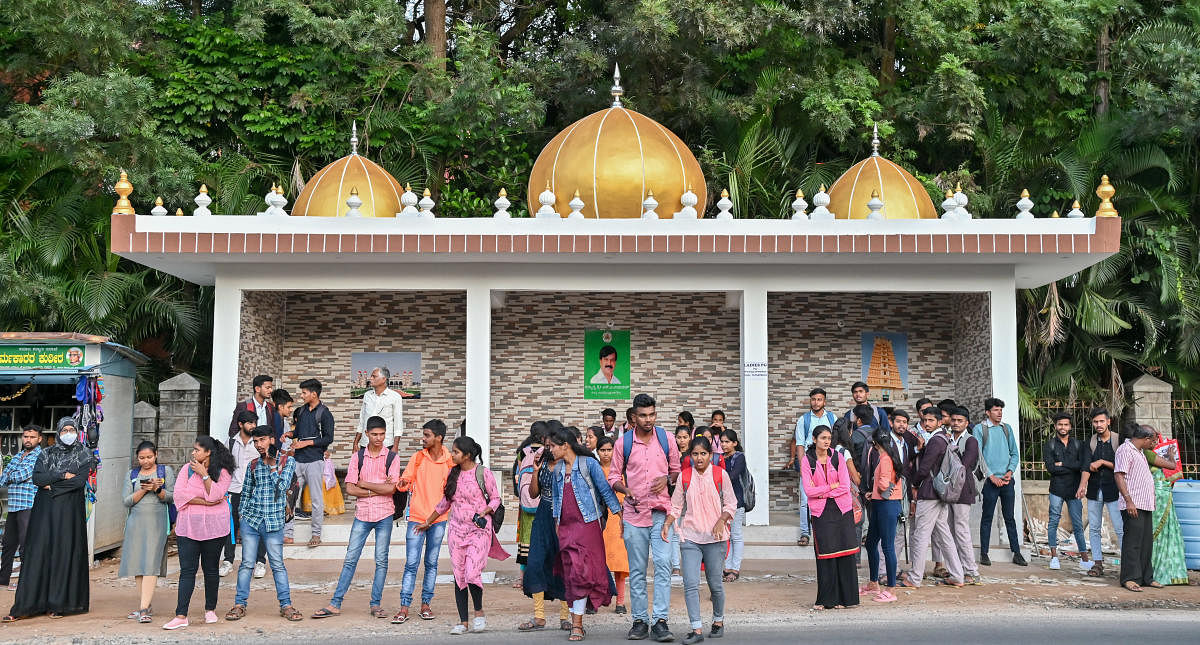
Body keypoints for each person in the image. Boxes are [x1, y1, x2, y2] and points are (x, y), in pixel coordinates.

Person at [415, 436, 509, 634]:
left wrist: (486, 510)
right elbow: (444, 503)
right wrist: (428, 522)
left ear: (467, 455)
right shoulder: (453, 474)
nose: (452, 454)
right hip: (457, 532)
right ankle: (463, 622)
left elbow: (496, 498)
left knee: (472, 572)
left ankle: (479, 612)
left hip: (479, 531)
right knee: (459, 576)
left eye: (456, 452)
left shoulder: (483, 473)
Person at [312, 416, 403, 619]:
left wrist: (366, 484)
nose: (379, 438)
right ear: (367, 434)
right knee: (350, 559)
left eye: (382, 434)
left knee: (381, 561)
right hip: (362, 514)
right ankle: (335, 603)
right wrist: (377, 488)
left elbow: (392, 488)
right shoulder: (358, 457)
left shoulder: (392, 458)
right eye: (374, 434)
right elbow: (351, 488)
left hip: (385, 514)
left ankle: (375, 604)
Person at [4, 418, 94, 622]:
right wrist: (63, 475)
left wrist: (52, 485)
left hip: (69, 513)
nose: (68, 433)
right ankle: (27, 606)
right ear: (59, 432)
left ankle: (58, 604)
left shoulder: (84, 454)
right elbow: (38, 479)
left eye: (72, 429)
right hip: (43, 511)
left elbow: (79, 482)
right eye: (65, 430)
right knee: (38, 552)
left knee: (63, 552)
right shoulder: (46, 453)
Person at [608, 393, 682, 643]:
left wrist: (668, 479)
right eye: (643, 415)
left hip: (662, 514)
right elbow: (613, 477)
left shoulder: (666, 438)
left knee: (663, 564)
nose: (648, 419)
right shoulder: (623, 444)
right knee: (637, 571)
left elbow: (677, 471)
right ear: (633, 417)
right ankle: (639, 621)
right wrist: (625, 490)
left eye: (652, 414)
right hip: (634, 515)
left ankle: (660, 621)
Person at [548, 428, 622, 641]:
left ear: (565, 445)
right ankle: (577, 622)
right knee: (571, 575)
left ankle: (577, 624)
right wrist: (556, 523)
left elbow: (605, 490)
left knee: (583, 573)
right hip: (565, 529)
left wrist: (618, 514)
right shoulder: (558, 470)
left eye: (553, 446)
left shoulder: (589, 464)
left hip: (588, 525)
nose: (550, 450)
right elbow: (555, 499)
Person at [226, 425, 301, 622]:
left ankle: (286, 605)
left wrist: (272, 464)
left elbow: (283, 486)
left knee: (277, 565)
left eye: (262, 440)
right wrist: (242, 516)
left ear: (272, 440)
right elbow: (246, 492)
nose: (259, 445)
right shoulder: (252, 464)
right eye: (256, 441)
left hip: (274, 523)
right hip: (252, 521)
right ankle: (239, 604)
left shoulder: (288, 461)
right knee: (246, 565)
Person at [163, 437, 235, 630]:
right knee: (187, 570)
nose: (193, 453)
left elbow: (217, 495)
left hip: (214, 528)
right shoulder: (187, 469)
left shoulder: (223, 472)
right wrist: (205, 502)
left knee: (211, 569)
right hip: (188, 528)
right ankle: (181, 615)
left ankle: (210, 610)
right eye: (193, 450)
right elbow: (179, 496)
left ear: (208, 452)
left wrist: (204, 475)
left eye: (197, 450)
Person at [393, 419, 454, 624]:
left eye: (427, 435)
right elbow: (406, 481)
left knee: (431, 563)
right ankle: (404, 607)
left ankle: (426, 604)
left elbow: (452, 493)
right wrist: (402, 483)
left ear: (439, 438)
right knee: (411, 564)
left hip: (438, 520)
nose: (423, 438)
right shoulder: (417, 458)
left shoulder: (449, 462)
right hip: (417, 519)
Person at [899, 412, 965, 589]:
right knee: (944, 535)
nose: (927, 423)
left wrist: (914, 484)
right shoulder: (945, 438)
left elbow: (925, 468)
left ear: (940, 421)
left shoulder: (936, 440)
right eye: (924, 420)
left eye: (931, 420)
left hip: (929, 492)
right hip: (940, 492)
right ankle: (958, 576)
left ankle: (914, 578)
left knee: (920, 535)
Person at [799, 425, 859, 610]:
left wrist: (824, 490)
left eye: (829, 438)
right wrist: (831, 488)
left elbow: (844, 486)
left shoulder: (838, 457)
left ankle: (846, 599)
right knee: (825, 554)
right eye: (823, 438)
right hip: (821, 512)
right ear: (815, 439)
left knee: (845, 552)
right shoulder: (807, 461)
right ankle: (827, 600)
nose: (827, 441)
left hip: (842, 510)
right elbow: (809, 491)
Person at [519, 428, 572, 632]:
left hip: (563, 518)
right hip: (542, 516)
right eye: (546, 445)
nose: (547, 449)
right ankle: (539, 616)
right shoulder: (541, 463)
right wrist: (535, 470)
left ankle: (565, 616)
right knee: (535, 563)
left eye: (550, 445)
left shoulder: (567, 465)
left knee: (563, 563)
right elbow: (533, 494)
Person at [120, 441, 175, 623]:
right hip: (136, 523)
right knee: (138, 563)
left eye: (149, 457)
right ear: (137, 457)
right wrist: (144, 490)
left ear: (156, 455)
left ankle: (143, 609)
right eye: (142, 458)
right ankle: (146, 604)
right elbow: (126, 501)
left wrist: (157, 489)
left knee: (151, 563)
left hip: (157, 524)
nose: (146, 461)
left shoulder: (165, 472)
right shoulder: (132, 474)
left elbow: (171, 497)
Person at [972, 398, 1026, 567]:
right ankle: (984, 553)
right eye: (996, 410)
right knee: (987, 517)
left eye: (1001, 410)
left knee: (1009, 517)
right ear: (988, 412)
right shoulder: (980, 429)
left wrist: (1009, 472)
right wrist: (990, 476)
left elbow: (1015, 454)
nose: (999, 413)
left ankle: (1016, 552)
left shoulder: (1007, 429)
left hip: (1007, 480)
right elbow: (978, 455)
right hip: (990, 482)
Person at [287, 379, 334, 548]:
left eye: (304, 393)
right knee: (290, 496)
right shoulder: (300, 411)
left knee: (316, 500)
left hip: (314, 460)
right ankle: (288, 534)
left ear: (314, 394)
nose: (301, 395)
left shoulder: (325, 413)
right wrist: (289, 434)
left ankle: (316, 534)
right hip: (298, 460)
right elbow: (299, 432)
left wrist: (306, 443)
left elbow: (329, 438)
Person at [787, 388, 837, 547]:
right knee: (805, 500)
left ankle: (825, 531)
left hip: (828, 463)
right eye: (813, 399)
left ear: (825, 401)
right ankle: (805, 532)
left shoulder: (832, 418)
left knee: (827, 497)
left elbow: (835, 443)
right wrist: (803, 468)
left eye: (819, 399)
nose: (816, 402)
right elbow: (800, 444)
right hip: (810, 461)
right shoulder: (803, 420)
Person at [1113, 425, 1160, 592]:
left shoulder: (1139, 452)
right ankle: (1129, 578)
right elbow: (1119, 475)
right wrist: (1129, 501)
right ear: (1146, 439)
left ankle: (1146, 577)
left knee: (1146, 543)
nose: (1154, 443)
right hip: (1133, 504)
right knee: (1133, 543)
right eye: (1153, 440)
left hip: (1145, 504)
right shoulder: (1125, 450)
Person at [1043, 412, 1091, 571]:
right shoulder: (1049, 445)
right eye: (1060, 424)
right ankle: (1054, 557)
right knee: (1053, 522)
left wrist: (1062, 463)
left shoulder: (1078, 444)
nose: (1063, 427)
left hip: (1075, 490)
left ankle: (1084, 559)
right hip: (1056, 489)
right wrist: (1071, 465)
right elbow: (1050, 468)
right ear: (1055, 426)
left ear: (1070, 426)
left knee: (1078, 524)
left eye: (1066, 424)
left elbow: (1082, 465)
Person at [223, 410, 267, 579]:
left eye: (254, 423)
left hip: (255, 491)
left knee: (258, 525)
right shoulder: (230, 442)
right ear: (241, 424)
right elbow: (225, 468)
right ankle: (228, 560)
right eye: (249, 423)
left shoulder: (259, 443)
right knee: (231, 526)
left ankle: (260, 562)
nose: (253, 426)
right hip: (234, 489)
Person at [1079, 408, 1122, 577]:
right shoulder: (1090, 442)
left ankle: (1127, 564)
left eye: (1101, 421)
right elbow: (1086, 467)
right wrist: (1082, 485)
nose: (1098, 425)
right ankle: (1097, 563)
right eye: (1095, 422)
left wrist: (1103, 462)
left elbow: (1123, 466)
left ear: (1108, 422)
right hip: (1095, 490)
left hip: (1115, 490)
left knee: (1120, 529)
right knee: (1094, 528)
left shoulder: (1119, 440)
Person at [861, 428, 903, 603]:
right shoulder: (889, 456)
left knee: (887, 547)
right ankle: (873, 583)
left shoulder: (885, 459)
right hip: (882, 504)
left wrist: (878, 489)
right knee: (871, 543)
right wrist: (875, 493)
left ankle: (891, 590)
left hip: (886, 506)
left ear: (875, 443)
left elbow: (884, 483)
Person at [1142, 427, 1188, 586]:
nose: (1155, 441)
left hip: (1162, 496)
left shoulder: (1146, 453)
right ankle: (1159, 572)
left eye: (1156, 439)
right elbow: (1172, 467)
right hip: (1158, 497)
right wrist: (1170, 455)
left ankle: (1165, 572)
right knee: (1158, 534)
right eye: (1153, 439)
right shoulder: (1148, 454)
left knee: (1165, 534)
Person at [0, 425, 43, 590]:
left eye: (32, 437)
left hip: (28, 505)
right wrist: (11, 476)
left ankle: (25, 581)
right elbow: (4, 477)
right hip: (14, 506)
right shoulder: (18, 455)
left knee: (26, 544)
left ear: (39, 439)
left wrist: (11, 476)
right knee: (8, 543)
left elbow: (23, 475)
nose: (28, 440)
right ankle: (3, 579)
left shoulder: (39, 456)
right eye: (25, 436)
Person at [943, 407, 982, 584]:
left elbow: (964, 465)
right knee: (950, 530)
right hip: (949, 489)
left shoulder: (971, 441)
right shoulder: (948, 438)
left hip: (963, 488)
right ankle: (957, 570)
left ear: (966, 423)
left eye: (960, 421)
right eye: (954, 420)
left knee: (961, 530)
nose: (956, 423)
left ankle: (971, 571)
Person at [596, 435, 630, 614]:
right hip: (599, 518)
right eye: (603, 450)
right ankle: (595, 600)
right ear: (597, 451)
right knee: (597, 562)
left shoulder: (621, 471)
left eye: (609, 450)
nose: (606, 454)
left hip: (618, 519)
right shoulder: (594, 469)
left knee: (620, 563)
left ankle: (621, 602)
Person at [353, 367, 404, 452]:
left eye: (374, 376)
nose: (370, 378)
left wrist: (395, 447)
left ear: (384, 379)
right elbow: (362, 421)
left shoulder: (395, 397)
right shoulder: (367, 395)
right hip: (365, 444)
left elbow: (398, 425)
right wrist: (355, 443)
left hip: (386, 444)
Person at [720, 429, 748, 582]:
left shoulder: (739, 457)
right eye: (722, 442)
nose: (724, 445)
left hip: (736, 502)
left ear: (735, 443)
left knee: (735, 535)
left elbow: (732, 476)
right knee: (727, 535)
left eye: (727, 442)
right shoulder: (720, 458)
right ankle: (727, 566)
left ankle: (735, 568)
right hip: (723, 502)